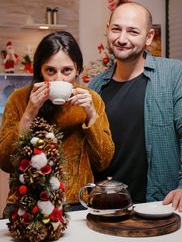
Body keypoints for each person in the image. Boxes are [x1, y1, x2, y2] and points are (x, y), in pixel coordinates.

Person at [89, 1, 182, 212]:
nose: (122, 39)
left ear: (149, 37)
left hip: (161, 205)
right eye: (116, 29)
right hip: (108, 206)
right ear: (107, 30)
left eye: (133, 32)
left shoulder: (174, 73)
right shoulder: (95, 87)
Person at [0, 31, 114, 215]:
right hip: (26, 203)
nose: (59, 79)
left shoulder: (90, 99)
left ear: (78, 69)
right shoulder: (19, 100)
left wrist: (91, 114)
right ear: (39, 71)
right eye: (50, 71)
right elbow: (5, 162)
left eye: (67, 70)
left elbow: (103, 162)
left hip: (77, 202)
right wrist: (30, 113)